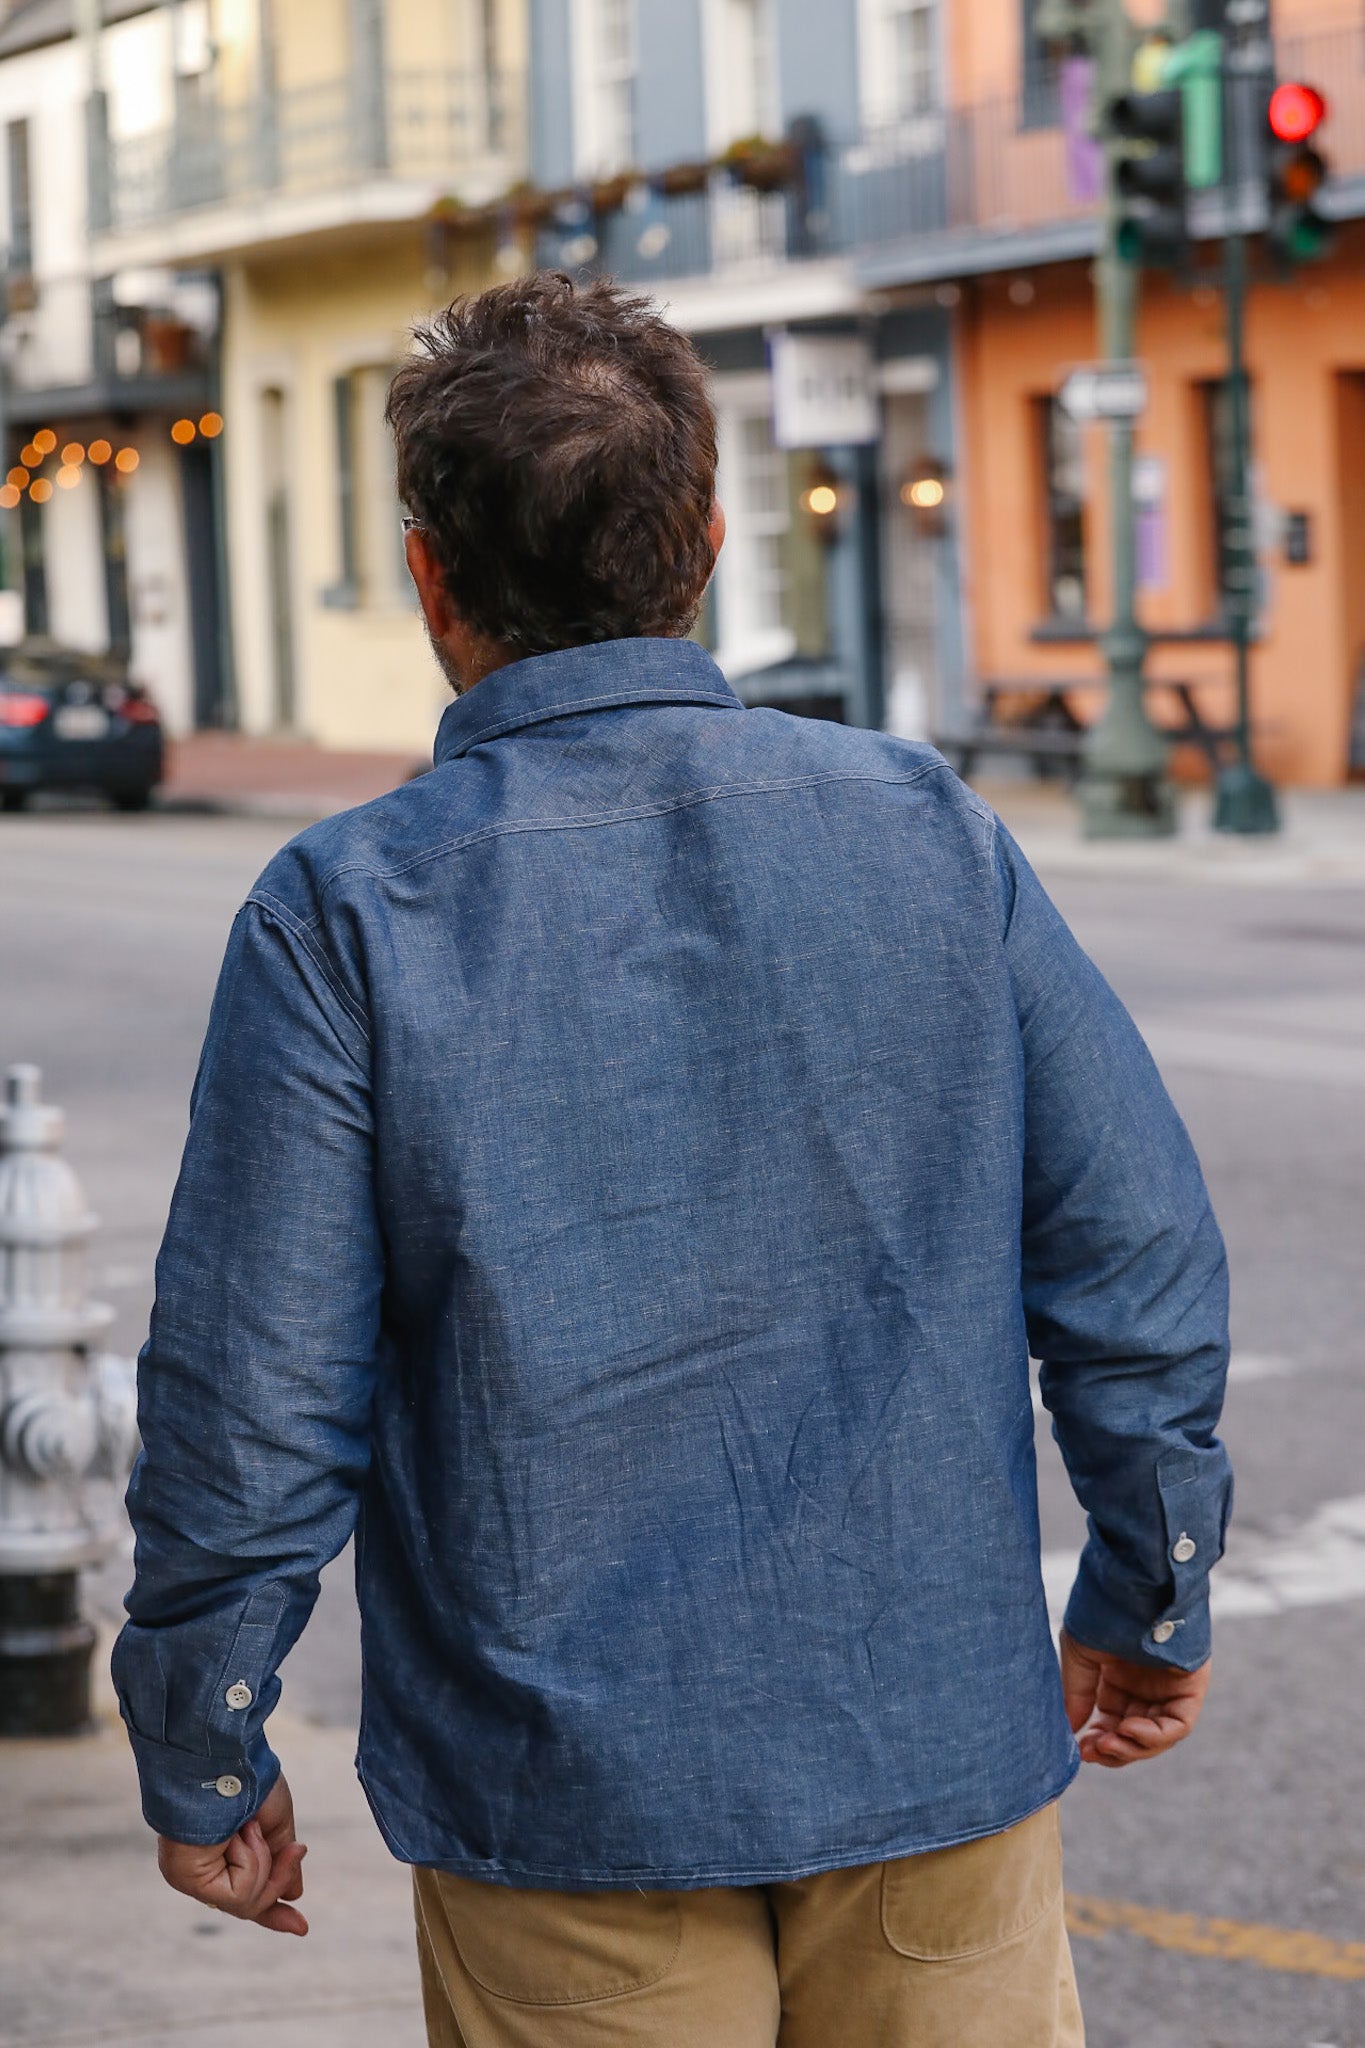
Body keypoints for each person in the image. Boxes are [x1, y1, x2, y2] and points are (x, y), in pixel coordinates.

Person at [113, 273, 1231, 2048]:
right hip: (928, 1754)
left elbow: (253, 1397)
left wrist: (207, 1729)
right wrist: (1149, 1586)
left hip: (568, 1803)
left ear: (430, 582)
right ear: (703, 545)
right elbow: (1134, 1261)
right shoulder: (925, 831)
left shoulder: (348, 912)